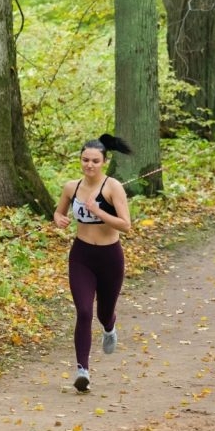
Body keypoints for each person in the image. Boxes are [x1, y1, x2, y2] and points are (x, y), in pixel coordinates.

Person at [53, 134, 132, 392]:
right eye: (85, 160)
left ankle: (109, 327)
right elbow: (59, 211)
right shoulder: (71, 187)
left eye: (95, 161)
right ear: (80, 160)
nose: (89, 165)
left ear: (104, 162)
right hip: (82, 256)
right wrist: (59, 219)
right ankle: (82, 370)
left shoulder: (112, 188)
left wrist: (98, 211)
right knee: (84, 311)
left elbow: (126, 225)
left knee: (103, 312)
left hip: (110, 257)